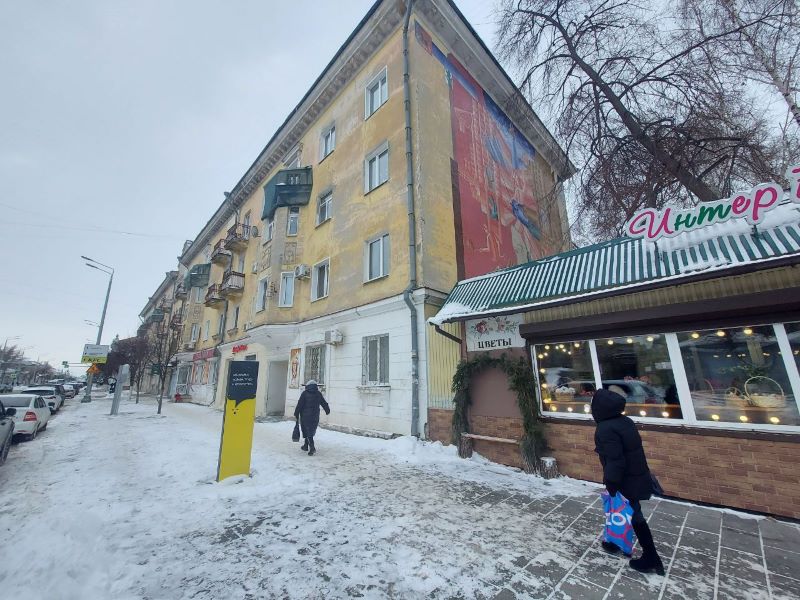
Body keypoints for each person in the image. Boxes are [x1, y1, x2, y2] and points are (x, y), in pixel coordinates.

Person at [592, 388, 665, 576]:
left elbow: (615, 460)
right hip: (636, 476)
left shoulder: (605, 429)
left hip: (625, 480)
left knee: (633, 515)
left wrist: (611, 482)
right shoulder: (625, 421)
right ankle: (615, 542)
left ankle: (651, 558)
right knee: (619, 511)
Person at [294, 380, 330, 456]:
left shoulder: (305, 393)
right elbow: (323, 403)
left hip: (305, 416)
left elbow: (300, 404)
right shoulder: (318, 394)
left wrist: (296, 413)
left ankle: (312, 448)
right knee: (310, 430)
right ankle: (305, 446)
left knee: (307, 431)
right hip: (315, 416)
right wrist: (327, 410)